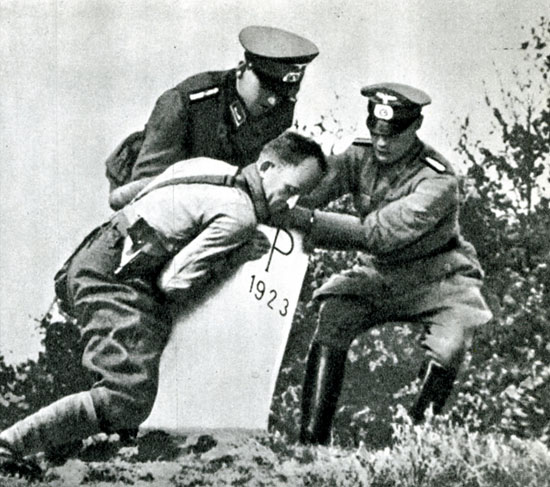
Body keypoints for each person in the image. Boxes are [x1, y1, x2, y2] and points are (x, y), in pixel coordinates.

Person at [0, 131, 326, 476]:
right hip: (118, 275)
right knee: (127, 398)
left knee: (125, 377)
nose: (289, 204)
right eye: (290, 190)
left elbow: (136, 197)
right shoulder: (239, 215)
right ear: (266, 166)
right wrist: (235, 258)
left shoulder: (209, 167)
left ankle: (54, 453)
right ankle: (8, 446)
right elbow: (173, 283)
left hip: (98, 254)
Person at [276, 83, 493, 445]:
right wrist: (279, 197)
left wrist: (306, 221)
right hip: (382, 273)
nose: (381, 143)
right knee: (335, 313)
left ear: (416, 126)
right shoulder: (359, 155)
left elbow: (379, 234)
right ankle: (311, 445)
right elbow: (314, 186)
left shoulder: (438, 179)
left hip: (440, 276)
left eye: (393, 135)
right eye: (376, 132)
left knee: (450, 344)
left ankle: (414, 446)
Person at [106, 25, 319, 204]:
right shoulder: (188, 103)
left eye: (282, 94)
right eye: (266, 89)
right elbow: (146, 190)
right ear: (242, 68)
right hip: (154, 188)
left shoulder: (279, 110)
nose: (273, 101)